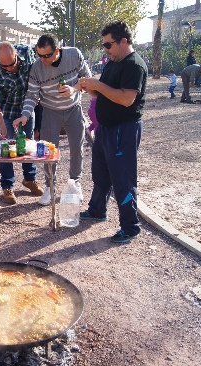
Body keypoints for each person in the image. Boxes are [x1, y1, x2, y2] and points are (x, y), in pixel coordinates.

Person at [77, 20, 147, 244]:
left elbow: (127, 99)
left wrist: (98, 86)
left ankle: (130, 227)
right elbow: (104, 94)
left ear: (123, 41)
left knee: (123, 179)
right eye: (104, 45)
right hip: (105, 129)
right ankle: (97, 210)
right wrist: (91, 88)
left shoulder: (134, 65)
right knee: (101, 174)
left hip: (123, 129)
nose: (105, 50)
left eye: (108, 45)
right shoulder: (113, 62)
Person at [13, 33, 91, 206]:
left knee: (76, 148)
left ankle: (74, 183)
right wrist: (25, 115)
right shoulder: (36, 68)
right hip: (50, 111)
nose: (43, 60)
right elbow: (32, 95)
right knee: (48, 152)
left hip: (73, 109)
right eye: (39, 55)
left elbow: (88, 78)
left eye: (47, 55)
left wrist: (75, 88)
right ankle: (50, 186)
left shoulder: (73, 54)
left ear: (57, 50)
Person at [0, 41, 44, 204]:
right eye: (6, 67)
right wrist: (2, 125)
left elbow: (39, 74)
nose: (11, 68)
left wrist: (37, 95)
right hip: (6, 111)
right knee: (5, 149)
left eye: (13, 63)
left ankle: (29, 179)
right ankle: (7, 185)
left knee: (27, 144)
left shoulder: (27, 53)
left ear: (16, 54)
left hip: (27, 107)